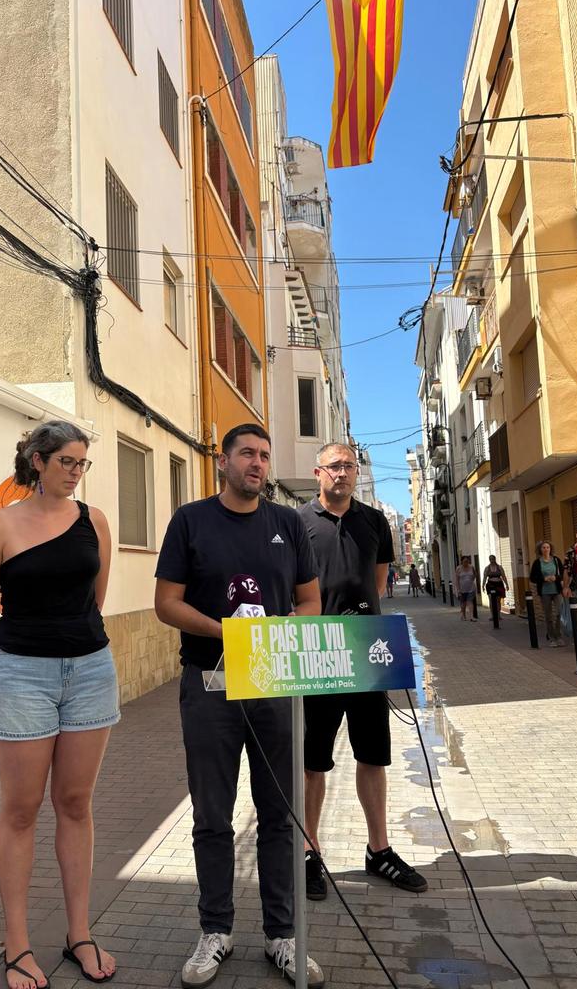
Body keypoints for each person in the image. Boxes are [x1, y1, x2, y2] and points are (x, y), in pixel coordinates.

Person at [154, 424, 325, 989]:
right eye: (247, 454)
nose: (257, 463)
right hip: (209, 687)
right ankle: (215, 932)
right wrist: (227, 634)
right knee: (211, 816)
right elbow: (166, 604)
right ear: (222, 461)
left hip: (275, 684)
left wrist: (274, 637)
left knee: (279, 814)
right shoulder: (190, 521)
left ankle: (282, 935)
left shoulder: (288, 524)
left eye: (265, 456)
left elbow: (309, 602)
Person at [0, 421, 119, 989]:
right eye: (67, 462)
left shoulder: (93, 522)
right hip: (20, 675)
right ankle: (18, 947)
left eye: (83, 464)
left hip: (89, 672)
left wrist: (68, 650)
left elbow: (95, 600)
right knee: (22, 810)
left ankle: (79, 934)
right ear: (37, 460)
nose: (76, 473)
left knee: (76, 804)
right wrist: (13, 664)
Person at [298, 443, 428, 902]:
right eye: (335, 466)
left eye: (350, 466)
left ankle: (379, 850)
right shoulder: (298, 521)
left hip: (367, 648)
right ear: (318, 473)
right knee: (313, 759)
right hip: (318, 652)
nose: (344, 474)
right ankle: (309, 853)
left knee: (373, 755)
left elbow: (377, 583)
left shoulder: (374, 521)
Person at [529, 541, 565, 646]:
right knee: (548, 616)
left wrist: (556, 577)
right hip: (545, 592)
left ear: (550, 549)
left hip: (557, 590)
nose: (546, 549)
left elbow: (562, 574)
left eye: (547, 547)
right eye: (543, 547)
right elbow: (532, 578)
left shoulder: (556, 560)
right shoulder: (537, 562)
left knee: (559, 613)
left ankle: (558, 635)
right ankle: (552, 638)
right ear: (540, 550)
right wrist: (544, 578)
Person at [482, 555, 509, 622]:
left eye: (493, 559)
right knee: (491, 600)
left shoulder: (499, 567)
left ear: (495, 559)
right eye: (490, 559)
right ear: (489, 560)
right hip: (490, 584)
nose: (492, 560)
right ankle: (492, 615)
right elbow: (485, 577)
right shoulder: (487, 568)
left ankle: (498, 615)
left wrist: (507, 585)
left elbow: (503, 576)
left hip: (499, 584)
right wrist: (483, 585)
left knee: (498, 600)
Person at [455, 556, 478, 621]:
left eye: (467, 561)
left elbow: (475, 575)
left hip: (471, 588)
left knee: (470, 602)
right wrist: (458, 589)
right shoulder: (458, 568)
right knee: (463, 603)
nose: (466, 563)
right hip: (462, 589)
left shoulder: (471, 567)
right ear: (462, 562)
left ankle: (471, 616)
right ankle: (463, 615)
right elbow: (457, 580)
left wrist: (471, 581)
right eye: (465, 561)